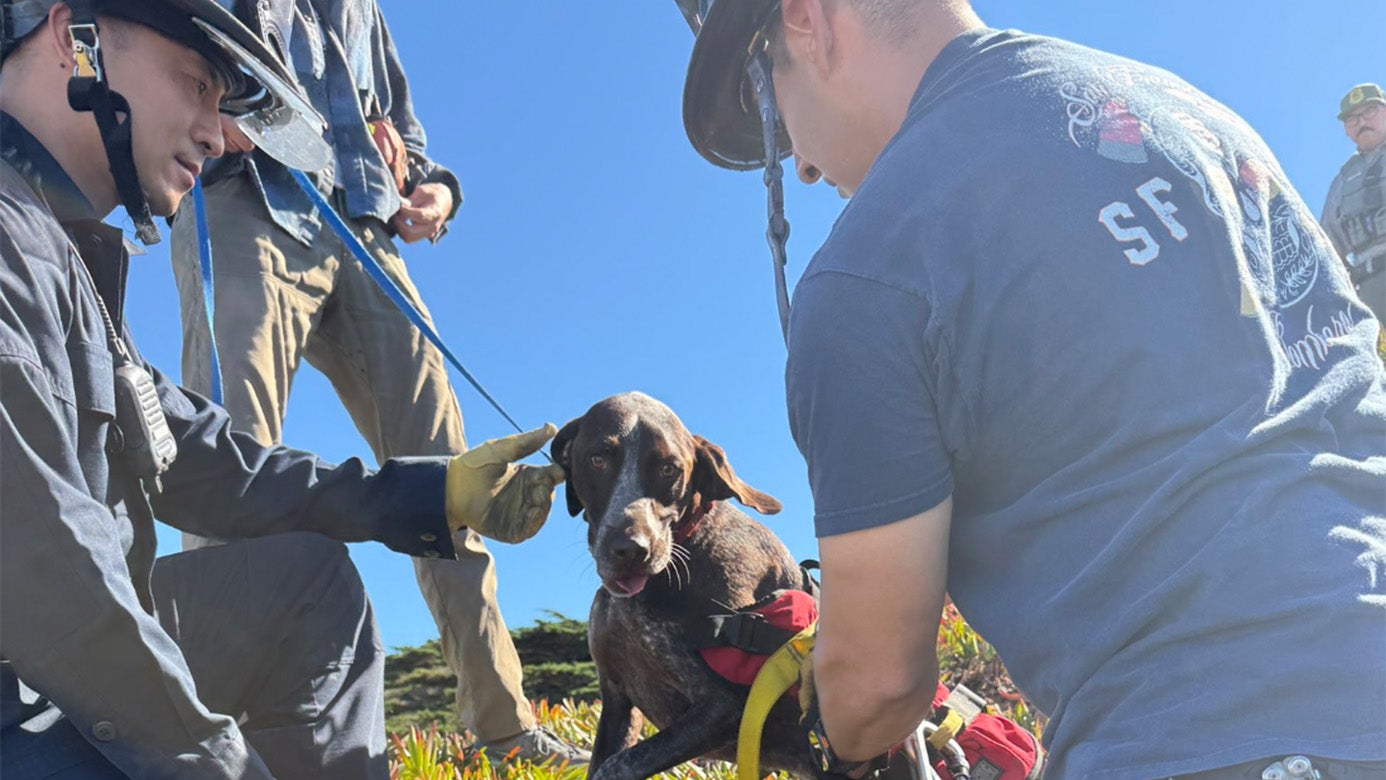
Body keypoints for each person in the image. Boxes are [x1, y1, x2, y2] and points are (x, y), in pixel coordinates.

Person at [672, 1, 1386, 778]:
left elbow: (877, 689)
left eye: (771, 105)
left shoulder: (865, 270)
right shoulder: (1200, 118)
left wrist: (832, 717)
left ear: (806, 18)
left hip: (1204, 745)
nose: (801, 164)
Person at [0, 1, 565, 777]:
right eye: (197, 83)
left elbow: (203, 455)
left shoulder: (68, 261)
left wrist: (425, 497)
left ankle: (500, 723)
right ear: (78, 40)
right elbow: (43, 565)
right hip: (22, 691)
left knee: (307, 586)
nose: (221, 129)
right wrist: (215, 760)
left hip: (356, 222)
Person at [163, 1, 589, 763]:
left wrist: (437, 192)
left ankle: (506, 730)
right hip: (244, 203)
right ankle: (220, 736)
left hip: (367, 235)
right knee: (232, 465)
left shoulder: (365, 12)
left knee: (452, 479)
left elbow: (407, 133)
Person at [1321, 83, 1386, 328]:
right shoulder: (1341, 182)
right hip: (1369, 295)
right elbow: (1327, 246)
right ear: (1346, 131)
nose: (1361, 122)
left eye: (1369, 111)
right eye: (1352, 119)